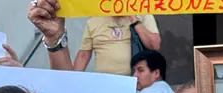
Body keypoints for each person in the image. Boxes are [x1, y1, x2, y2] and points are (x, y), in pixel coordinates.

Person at [28, 0, 159, 76]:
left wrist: (134, 19)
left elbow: (155, 45)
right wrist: (72, 79)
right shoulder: (93, 21)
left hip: (138, 85)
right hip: (104, 86)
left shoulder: (143, 14)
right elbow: (83, 55)